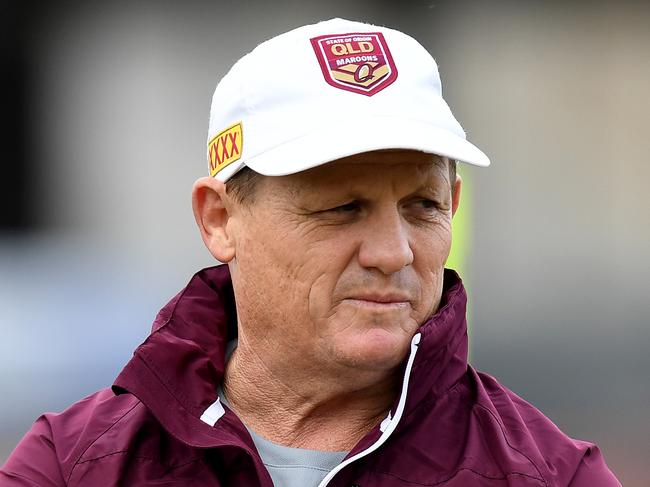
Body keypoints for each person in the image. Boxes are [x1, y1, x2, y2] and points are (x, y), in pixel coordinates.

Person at [1, 18, 621, 487]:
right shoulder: (72, 467)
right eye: (341, 208)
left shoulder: (555, 476)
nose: (392, 252)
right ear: (220, 220)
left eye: (423, 207)